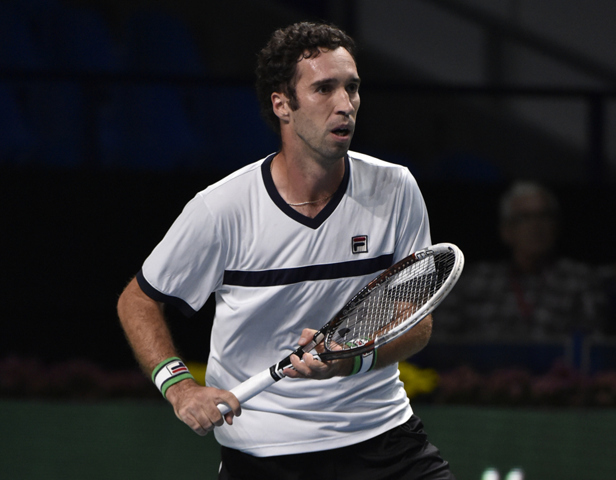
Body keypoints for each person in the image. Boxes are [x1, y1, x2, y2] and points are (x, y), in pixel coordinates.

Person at [117, 22, 454, 480]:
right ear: (282, 104)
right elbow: (138, 300)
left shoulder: (395, 188)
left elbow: (416, 324)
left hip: (384, 439)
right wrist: (179, 388)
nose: (345, 104)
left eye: (352, 88)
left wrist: (350, 360)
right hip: (265, 454)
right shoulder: (222, 209)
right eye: (324, 89)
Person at [437, 180, 606, 341]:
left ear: (556, 226)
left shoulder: (580, 281)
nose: (536, 226)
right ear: (506, 230)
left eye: (543, 216)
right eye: (525, 217)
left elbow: (594, 344)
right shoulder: (474, 282)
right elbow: (442, 343)